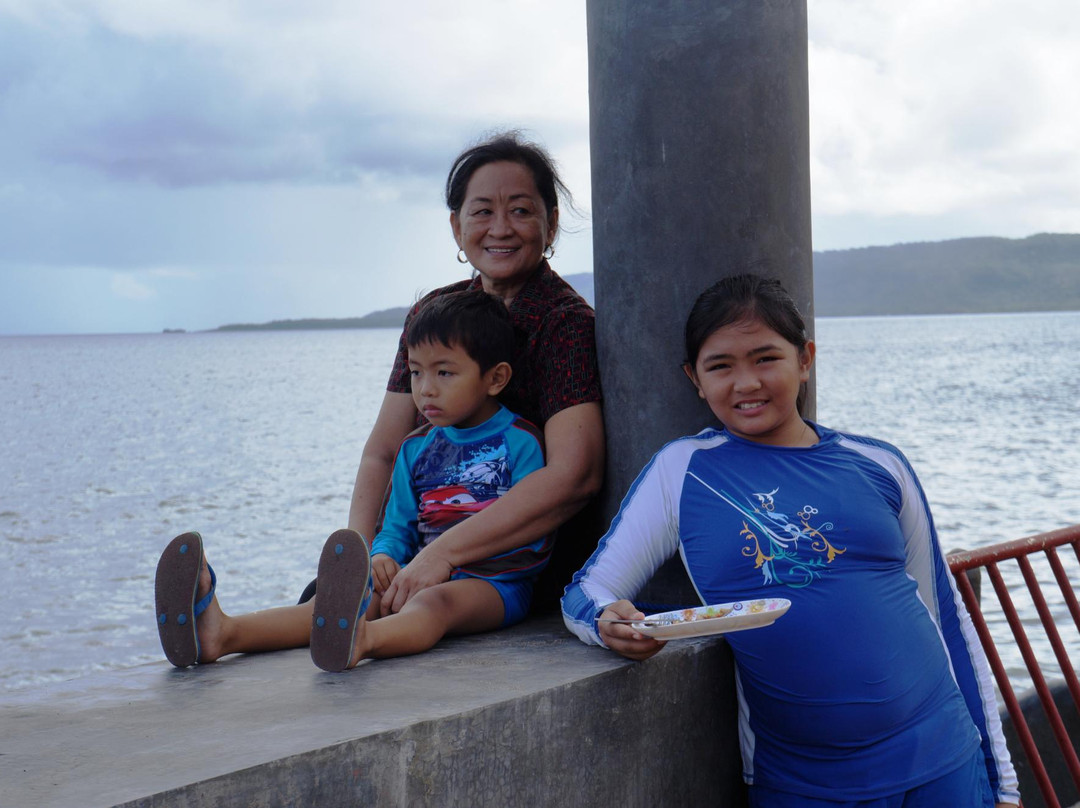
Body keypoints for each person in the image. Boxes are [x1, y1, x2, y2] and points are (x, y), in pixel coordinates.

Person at [561, 274, 1019, 808]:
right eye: (720, 366)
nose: (746, 383)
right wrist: (606, 623)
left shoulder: (879, 463)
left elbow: (945, 617)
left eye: (765, 358)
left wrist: (1003, 784)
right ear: (695, 378)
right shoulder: (683, 472)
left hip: (944, 760)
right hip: (804, 784)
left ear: (805, 359)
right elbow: (586, 591)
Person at [155, 131, 604, 668]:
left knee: (422, 601)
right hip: (419, 549)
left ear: (551, 225)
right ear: (457, 227)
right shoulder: (434, 316)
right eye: (482, 211)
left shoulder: (565, 324)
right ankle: (221, 633)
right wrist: (362, 562)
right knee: (342, 601)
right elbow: (385, 452)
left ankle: (356, 632)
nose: (501, 228)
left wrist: (441, 556)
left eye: (521, 211)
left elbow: (574, 476)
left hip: (507, 571)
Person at [309, 290, 549, 671]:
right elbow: (396, 526)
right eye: (417, 372)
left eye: (445, 372)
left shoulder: (521, 442)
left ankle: (361, 640)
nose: (425, 389)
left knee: (432, 604)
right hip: (417, 573)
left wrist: (446, 569)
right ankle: (226, 632)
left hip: (495, 585)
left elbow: (531, 534)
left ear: (496, 378)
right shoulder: (415, 448)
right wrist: (383, 555)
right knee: (354, 597)